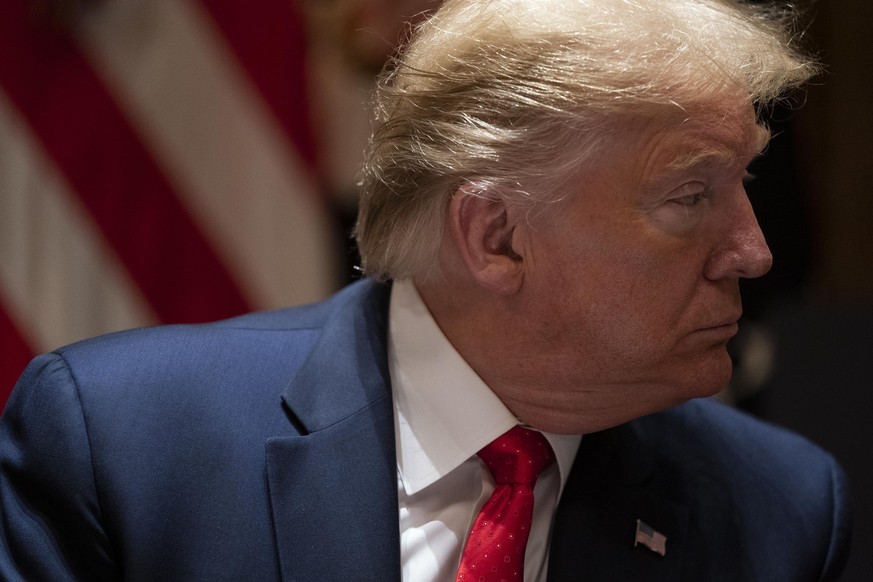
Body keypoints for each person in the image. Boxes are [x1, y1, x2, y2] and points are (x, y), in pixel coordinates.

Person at [0, 0, 852, 580]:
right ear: (496, 238)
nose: (752, 251)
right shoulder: (120, 445)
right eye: (690, 198)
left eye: (744, 184)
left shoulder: (776, 508)